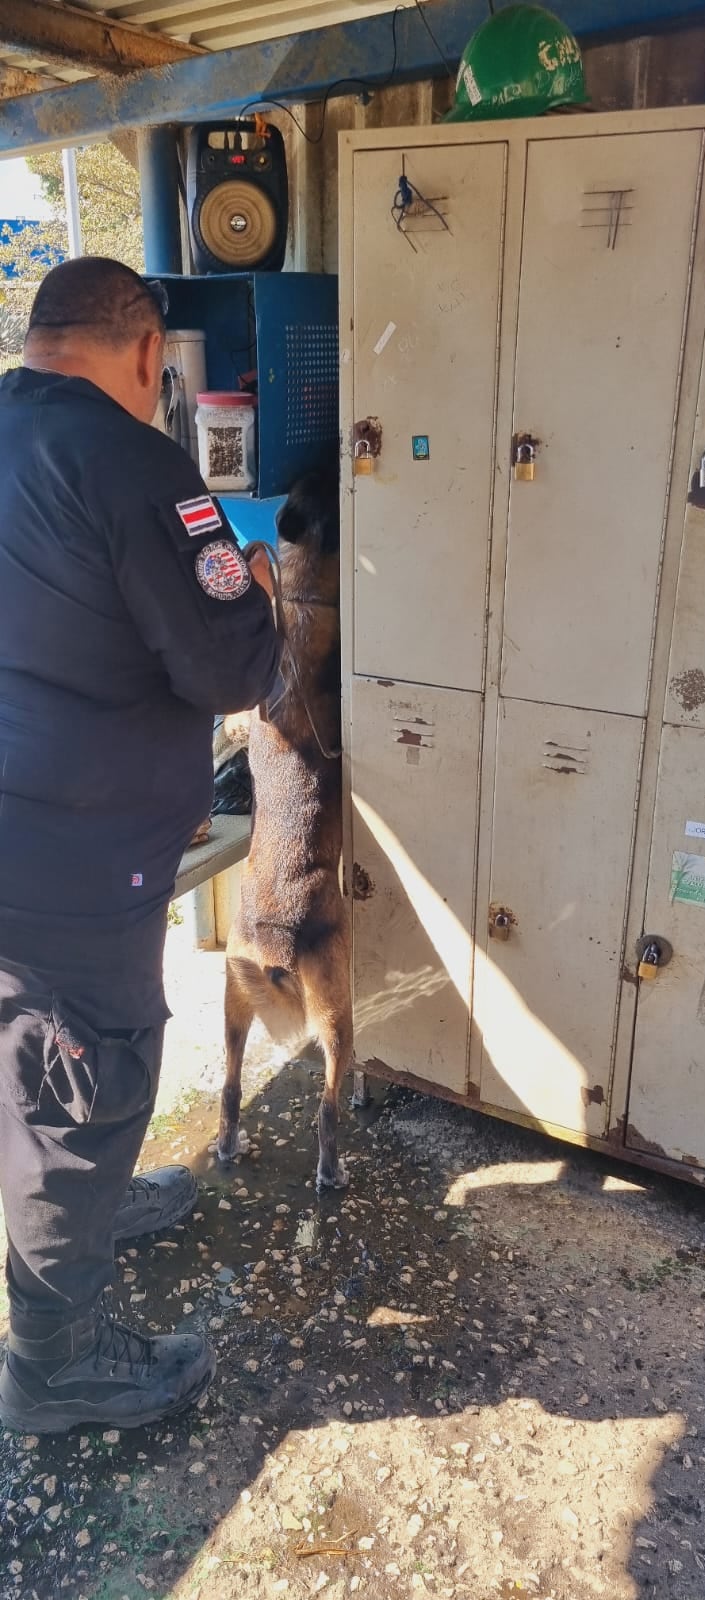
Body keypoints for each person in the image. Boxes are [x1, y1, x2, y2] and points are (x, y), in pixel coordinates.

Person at [0, 257, 282, 1433]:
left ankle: (90, 1220)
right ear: (147, 354)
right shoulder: (139, 466)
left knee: (30, 1053)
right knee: (85, 1076)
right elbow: (229, 666)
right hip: (73, 854)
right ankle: (57, 1365)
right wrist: (258, 593)